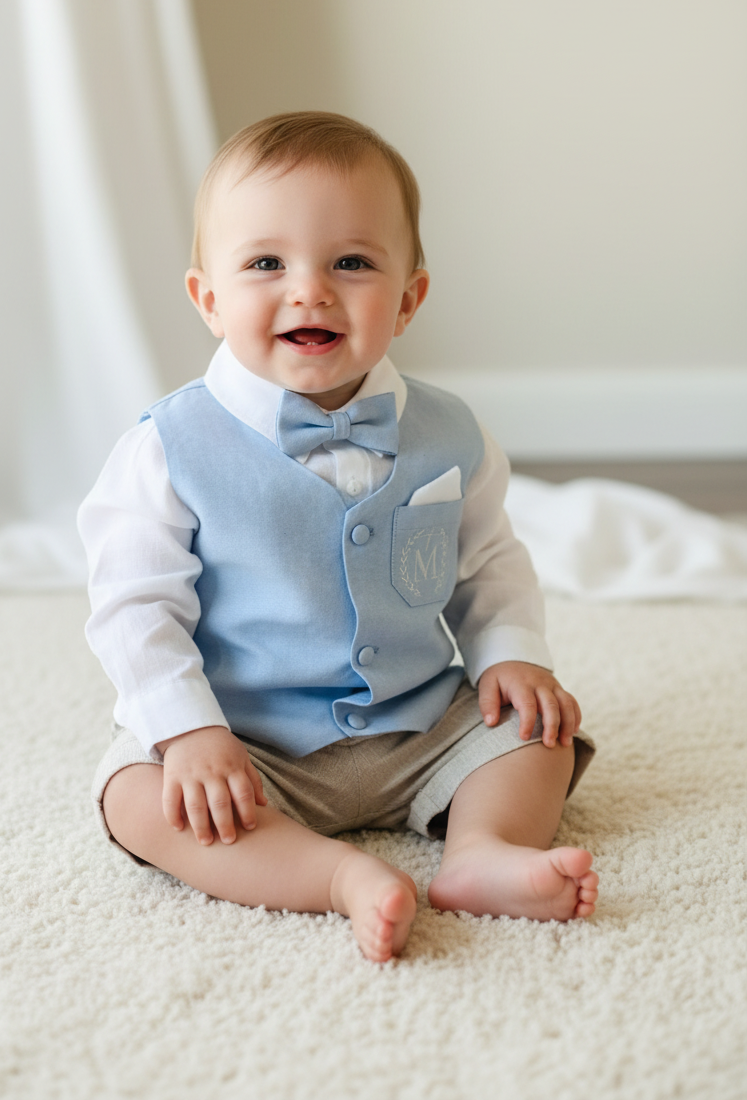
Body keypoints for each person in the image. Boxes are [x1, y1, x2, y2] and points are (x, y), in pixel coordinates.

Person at [79, 111, 598, 963]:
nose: (310, 289)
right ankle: (331, 876)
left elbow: (487, 558)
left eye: (351, 262)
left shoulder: (449, 431)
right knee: (136, 797)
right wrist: (188, 731)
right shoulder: (167, 450)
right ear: (209, 299)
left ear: (408, 298)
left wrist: (510, 652)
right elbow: (134, 608)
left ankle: (481, 852)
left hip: (418, 720)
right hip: (250, 745)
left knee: (540, 734)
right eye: (265, 264)